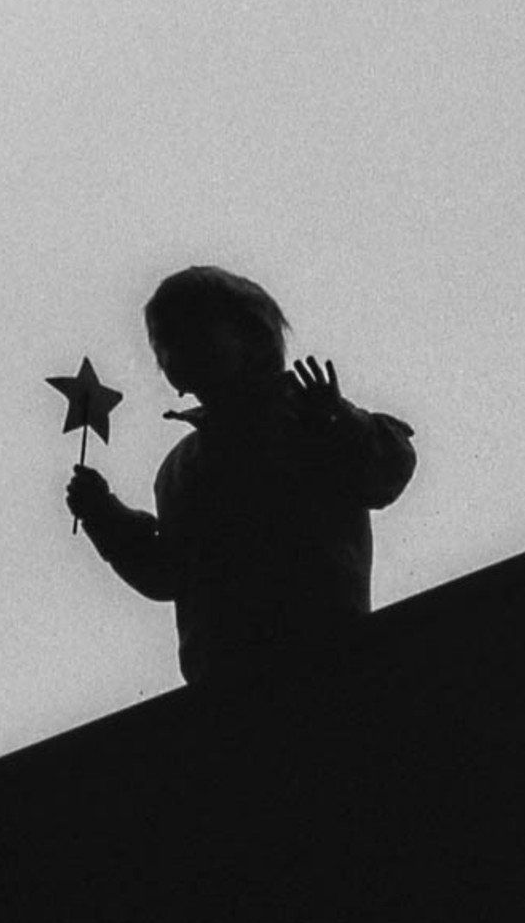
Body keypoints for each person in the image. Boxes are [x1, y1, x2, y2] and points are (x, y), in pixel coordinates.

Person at [66, 265, 415, 690]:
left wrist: (336, 419)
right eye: (164, 340)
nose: (175, 349)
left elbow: (388, 470)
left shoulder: (305, 420)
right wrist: (104, 516)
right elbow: (169, 573)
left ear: (252, 334)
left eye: (193, 331)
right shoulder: (179, 469)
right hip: (223, 685)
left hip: (325, 662)